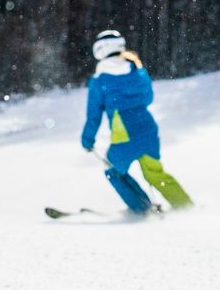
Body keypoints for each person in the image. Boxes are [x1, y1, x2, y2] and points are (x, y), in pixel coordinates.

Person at [82, 30, 193, 214]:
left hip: (124, 135)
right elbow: (148, 98)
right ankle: (185, 206)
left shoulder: (99, 79)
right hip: (148, 129)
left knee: (114, 170)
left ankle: (142, 208)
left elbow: (93, 114)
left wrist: (87, 139)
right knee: (154, 173)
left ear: (100, 50)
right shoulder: (137, 70)